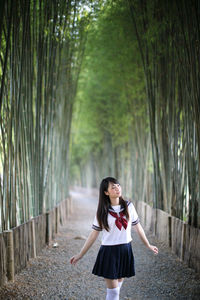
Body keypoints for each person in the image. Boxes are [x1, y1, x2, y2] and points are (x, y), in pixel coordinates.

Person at [70, 177, 158, 300]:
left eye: (118, 185)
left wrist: (148, 245)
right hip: (109, 252)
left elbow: (138, 228)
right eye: (113, 187)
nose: (117, 188)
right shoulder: (102, 211)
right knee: (114, 293)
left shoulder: (129, 206)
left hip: (125, 250)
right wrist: (81, 254)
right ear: (106, 192)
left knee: (117, 289)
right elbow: (93, 235)